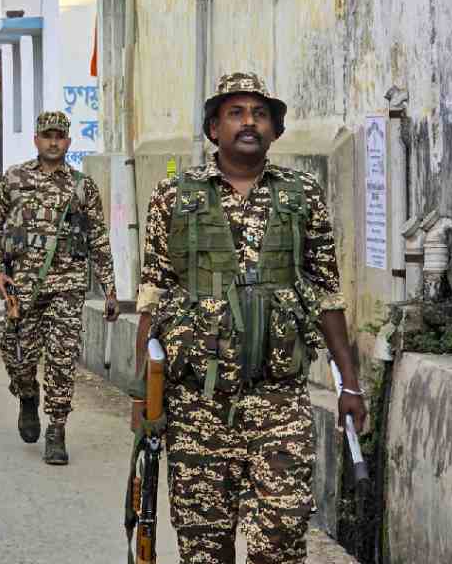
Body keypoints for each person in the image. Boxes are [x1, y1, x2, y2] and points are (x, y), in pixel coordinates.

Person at [134, 72, 368, 563]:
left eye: (260, 114)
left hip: (278, 398)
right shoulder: (174, 195)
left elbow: (326, 293)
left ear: (275, 130)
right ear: (213, 128)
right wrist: (144, 394)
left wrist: (350, 384)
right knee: (203, 548)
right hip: (197, 403)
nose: (248, 123)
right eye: (235, 113)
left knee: (281, 539)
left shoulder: (302, 195)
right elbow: (152, 295)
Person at [0, 111, 119, 465]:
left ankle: (57, 429)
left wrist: (110, 289)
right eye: (47, 135)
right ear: (36, 140)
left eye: (60, 136)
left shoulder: (82, 187)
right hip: (22, 289)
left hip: (68, 288)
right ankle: (27, 395)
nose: (53, 142)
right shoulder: (13, 179)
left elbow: (99, 240)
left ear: (68, 142)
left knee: (61, 358)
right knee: (17, 356)